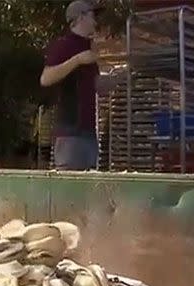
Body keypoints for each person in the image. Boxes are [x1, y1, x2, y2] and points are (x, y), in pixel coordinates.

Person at [40, 0, 121, 171]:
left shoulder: (88, 49)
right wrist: (76, 60)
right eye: (92, 15)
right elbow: (46, 78)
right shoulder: (65, 44)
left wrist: (117, 80)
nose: (95, 21)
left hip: (89, 133)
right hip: (70, 133)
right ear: (80, 17)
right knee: (70, 191)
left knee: (87, 192)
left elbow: (94, 86)